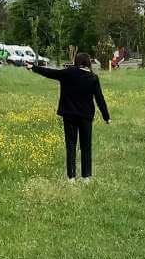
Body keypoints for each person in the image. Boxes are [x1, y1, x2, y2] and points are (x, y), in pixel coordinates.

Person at [28, 53, 111, 182]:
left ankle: (71, 177)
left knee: (71, 145)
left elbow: (50, 73)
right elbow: (100, 99)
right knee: (86, 146)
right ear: (88, 62)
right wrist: (106, 117)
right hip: (86, 116)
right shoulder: (93, 78)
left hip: (69, 114)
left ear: (76, 61)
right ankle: (86, 176)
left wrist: (33, 67)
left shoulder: (68, 73)